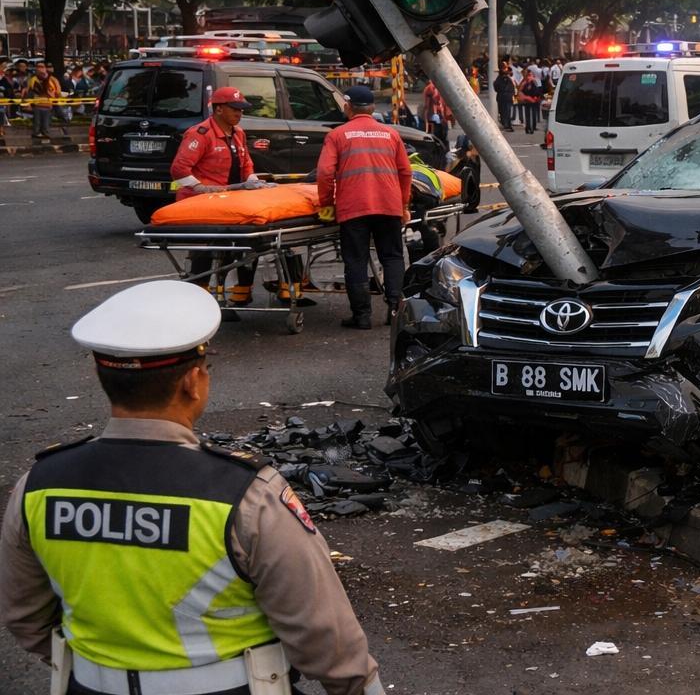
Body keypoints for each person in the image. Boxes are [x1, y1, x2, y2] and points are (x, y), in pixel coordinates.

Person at [0, 280, 385, 695]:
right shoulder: (246, 495)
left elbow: (25, 616)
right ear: (192, 382)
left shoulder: (37, 486)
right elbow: (326, 639)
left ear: (100, 376)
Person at [316, 86, 412, 330]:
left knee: (356, 260)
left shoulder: (337, 135)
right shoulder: (390, 134)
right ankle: (394, 311)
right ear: (371, 108)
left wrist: (327, 204)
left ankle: (362, 316)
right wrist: (404, 205)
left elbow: (325, 173)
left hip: (354, 208)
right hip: (389, 206)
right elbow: (406, 172)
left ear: (348, 106)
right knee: (392, 257)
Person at [169, 87, 274, 307]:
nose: (239, 113)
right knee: (207, 250)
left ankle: (240, 293)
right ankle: (199, 298)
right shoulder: (200, 134)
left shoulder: (238, 133)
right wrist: (200, 188)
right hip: (202, 204)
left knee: (250, 242)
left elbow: (246, 165)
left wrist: (253, 182)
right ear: (218, 109)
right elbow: (179, 169)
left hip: (230, 201)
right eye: (234, 109)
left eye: (241, 109)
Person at [25, 64, 66, 141]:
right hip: (37, 105)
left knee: (46, 122)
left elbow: (58, 92)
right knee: (37, 122)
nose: (40, 70)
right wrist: (28, 104)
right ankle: (36, 134)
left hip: (48, 105)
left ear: (45, 69)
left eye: (41, 68)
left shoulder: (53, 80)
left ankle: (46, 135)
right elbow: (29, 92)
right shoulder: (33, 79)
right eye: (38, 69)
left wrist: (56, 101)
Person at [419, 79, 449, 146]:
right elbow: (427, 105)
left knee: (441, 134)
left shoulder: (438, 87)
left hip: (438, 116)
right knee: (436, 134)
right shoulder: (431, 88)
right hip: (433, 116)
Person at [517, 66, 543, 134]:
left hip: (531, 99)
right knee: (530, 114)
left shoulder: (531, 81)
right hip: (529, 100)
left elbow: (537, 90)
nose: (529, 76)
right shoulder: (527, 81)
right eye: (529, 75)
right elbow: (520, 90)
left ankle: (530, 127)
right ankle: (530, 127)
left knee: (530, 114)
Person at [493, 62, 515, 130]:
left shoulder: (505, 78)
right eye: (505, 68)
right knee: (504, 111)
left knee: (506, 111)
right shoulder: (501, 78)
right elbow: (497, 87)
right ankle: (506, 124)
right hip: (503, 97)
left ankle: (507, 124)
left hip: (505, 97)